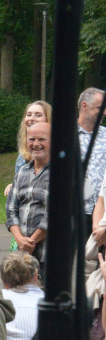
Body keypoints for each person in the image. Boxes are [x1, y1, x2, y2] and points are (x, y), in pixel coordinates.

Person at [6, 121, 50, 272]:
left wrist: (30, 242)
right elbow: (11, 209)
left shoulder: (60, 174)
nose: (36, 144)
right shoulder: (22, 172)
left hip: (47, 257)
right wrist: (19, 239)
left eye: (42, 139)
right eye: (32, 139)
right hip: (21, 256)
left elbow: (55, 214)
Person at [4, 100, 52, 201]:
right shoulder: (22, 157)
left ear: (48, 119)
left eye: (38, 115)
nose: (31, 118)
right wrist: (14, 186)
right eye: (28, 114)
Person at [79, 88, 106, 235]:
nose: (104, 112)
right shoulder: (65, 137)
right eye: (100, 108)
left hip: (103, 217)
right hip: (75, 212)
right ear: (84, 106)